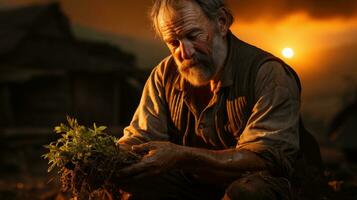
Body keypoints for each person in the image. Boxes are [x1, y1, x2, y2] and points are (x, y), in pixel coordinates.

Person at [117, 0, 324, 199]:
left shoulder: (269, 74)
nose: (185, 52)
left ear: (222, 22)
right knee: (130, 183)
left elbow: (265, 158)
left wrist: (183, 155)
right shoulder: (164, 75)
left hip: (268, 184)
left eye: (193, 35)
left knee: (248, 193)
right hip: (194, 185)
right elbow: (140, 138)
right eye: (173, 42)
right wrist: (104, 157)